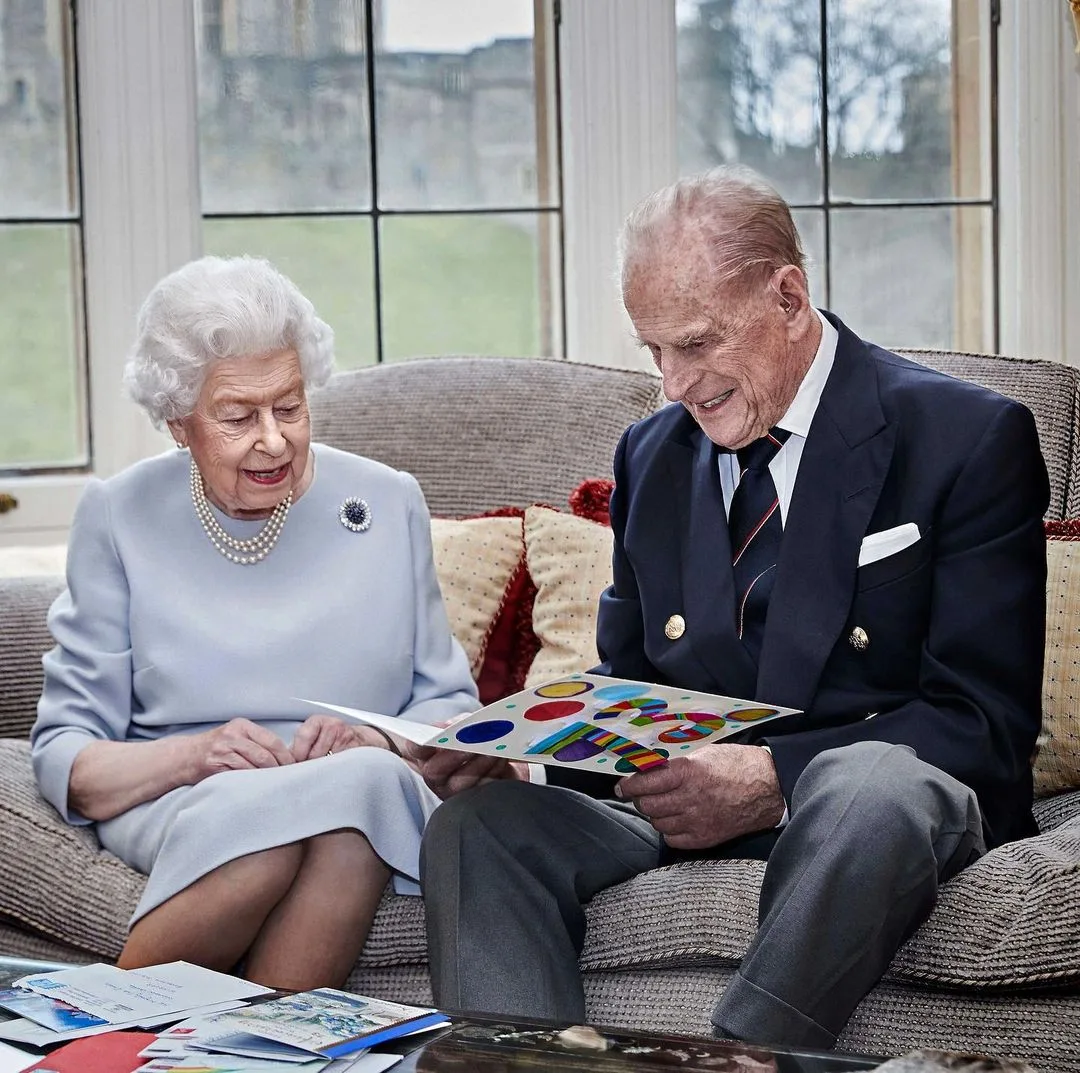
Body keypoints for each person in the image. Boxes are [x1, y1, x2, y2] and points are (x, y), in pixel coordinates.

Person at [415, 166, 1049, 1048]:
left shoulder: (966, 439)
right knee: (481, 826)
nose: (675, 384)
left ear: (788, 297)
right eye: (654, 351)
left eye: (698, 343)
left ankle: (735, 1061)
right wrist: (527, 755)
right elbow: (630, 682)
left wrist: (773, 781)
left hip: (862, 821)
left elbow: (983, 724)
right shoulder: (653, 453)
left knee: (872, 784)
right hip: (677, 812)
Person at [31, 255, 480, 989]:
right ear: (179, 423)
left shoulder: (387, 499)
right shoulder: (119, 514)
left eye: (291, 406)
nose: (273, 439)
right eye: (238, 416)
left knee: (352, 801)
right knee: (288, 830)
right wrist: (195, 755)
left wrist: (375, 736)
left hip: (356, 785)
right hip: (181, 792)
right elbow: (69, 753)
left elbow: (449, 708)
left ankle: (94, 1043)